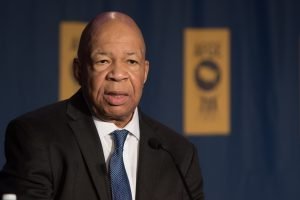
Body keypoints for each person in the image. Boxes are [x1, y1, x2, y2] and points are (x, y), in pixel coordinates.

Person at [0, 11, 204, 200]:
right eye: (103, 61)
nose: (118, 74)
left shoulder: (178, 154)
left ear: (145, 72)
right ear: (79, 70)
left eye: (131, 62)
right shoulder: (37, 137)